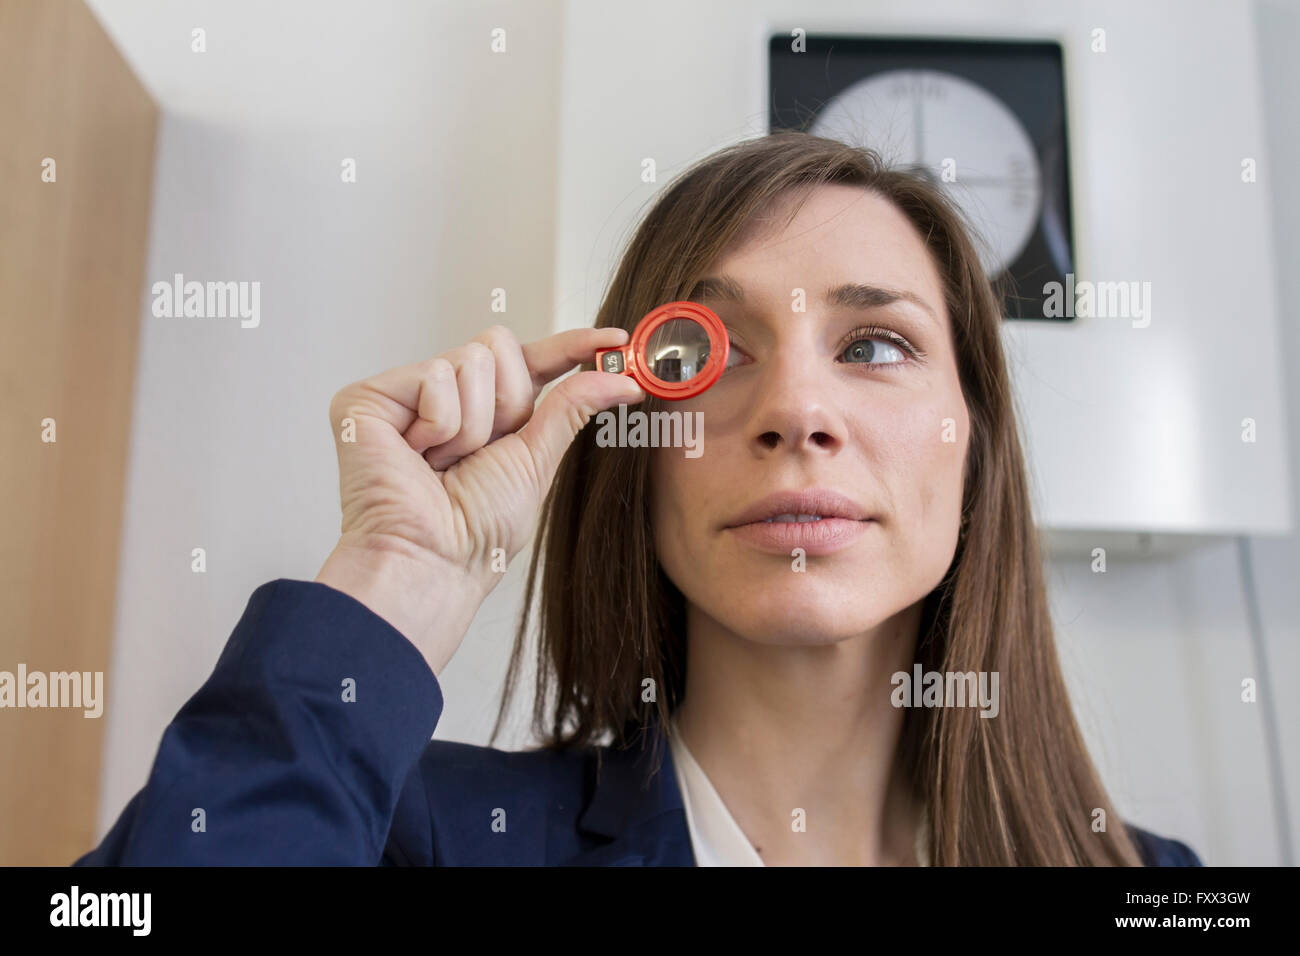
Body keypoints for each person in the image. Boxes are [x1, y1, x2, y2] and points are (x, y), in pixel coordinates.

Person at [75, 132, 1202, 866]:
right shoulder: (423, 838)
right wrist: (399, 578)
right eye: (706, 353)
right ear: (632, 437)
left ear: (975, 444)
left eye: (872, 342)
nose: (796, 411)